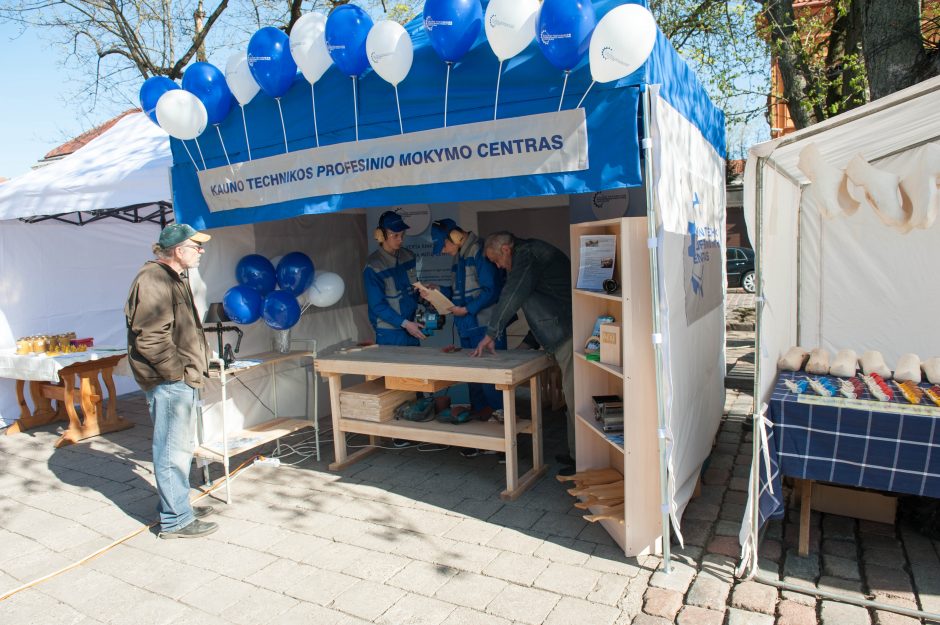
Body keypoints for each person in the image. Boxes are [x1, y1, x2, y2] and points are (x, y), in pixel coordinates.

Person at [124, 223, 217, 539]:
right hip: (170, 382)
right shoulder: (153, 279)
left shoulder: (170, 277)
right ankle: (176, 520)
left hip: (178, 379)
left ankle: (178, 507)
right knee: (172, 452)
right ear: (179, 250)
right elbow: (150, 338)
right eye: (196, 246)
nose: (201, 251)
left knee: (179, 449)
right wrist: (178, 373)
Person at [470, 231, 576, 474]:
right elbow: (542, 303)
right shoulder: (530, 254)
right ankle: (575, 453)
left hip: (568, 333)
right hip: (562, 330)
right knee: (572, 395)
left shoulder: (526, 255)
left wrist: (491, 332)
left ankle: (582, 460)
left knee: (574, 396)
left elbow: (514, 294)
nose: (498, 265)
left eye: (496, 260)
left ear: (506, 249)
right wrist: (529, 343)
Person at [423, 219, 505, 419]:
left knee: (492, 382)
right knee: (474, 380)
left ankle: (500, 430)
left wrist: (468, 309)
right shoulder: (457, 258)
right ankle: (480, 425)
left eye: (444, 244)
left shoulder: (480, 253)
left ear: (456, 237)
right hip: (466, 326)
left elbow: (492, 291)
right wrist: (437, 291)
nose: (442, 250)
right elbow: (456, 293)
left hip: (485, 328)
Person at [363, 210, 426, 346]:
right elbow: (377, 306)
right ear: (381, 235)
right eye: (395, 235)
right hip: (389, 333)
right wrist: (405, 324)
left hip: (411, 328)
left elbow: (414, 289)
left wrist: (427, 297)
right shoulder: (373, 266)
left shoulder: (409, 256)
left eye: (402, 234)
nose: (400, 239)